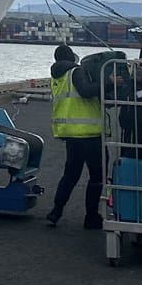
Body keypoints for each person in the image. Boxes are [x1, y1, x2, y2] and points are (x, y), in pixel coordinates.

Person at [46, 44, 104, 229]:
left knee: (70, 175)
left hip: (71, 133)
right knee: (97, 177)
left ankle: (56, 211)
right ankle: (91, 217)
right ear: (72, 57)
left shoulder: (57, 77)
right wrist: (108, 83)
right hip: (89, 133)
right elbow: (86, 92)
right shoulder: (75, 72)